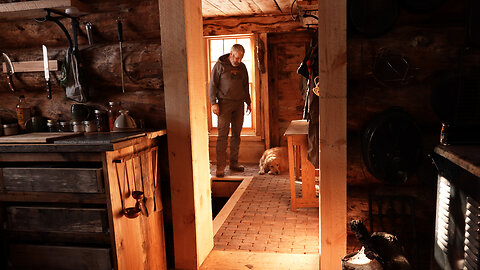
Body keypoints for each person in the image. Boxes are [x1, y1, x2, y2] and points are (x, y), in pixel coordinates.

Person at [209, 44, 251, 177]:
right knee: (222, 135)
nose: (238, 61)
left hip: (239, 104)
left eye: (241, 59)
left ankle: (234, 163)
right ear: (231, 54)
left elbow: (245, 85)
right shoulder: (219, 66)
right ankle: (220, 167)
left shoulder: (242, 67)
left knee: (236, 135)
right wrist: (213, 103)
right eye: (237, 58)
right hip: (224, 104)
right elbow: (212, 84)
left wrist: (248, 102)